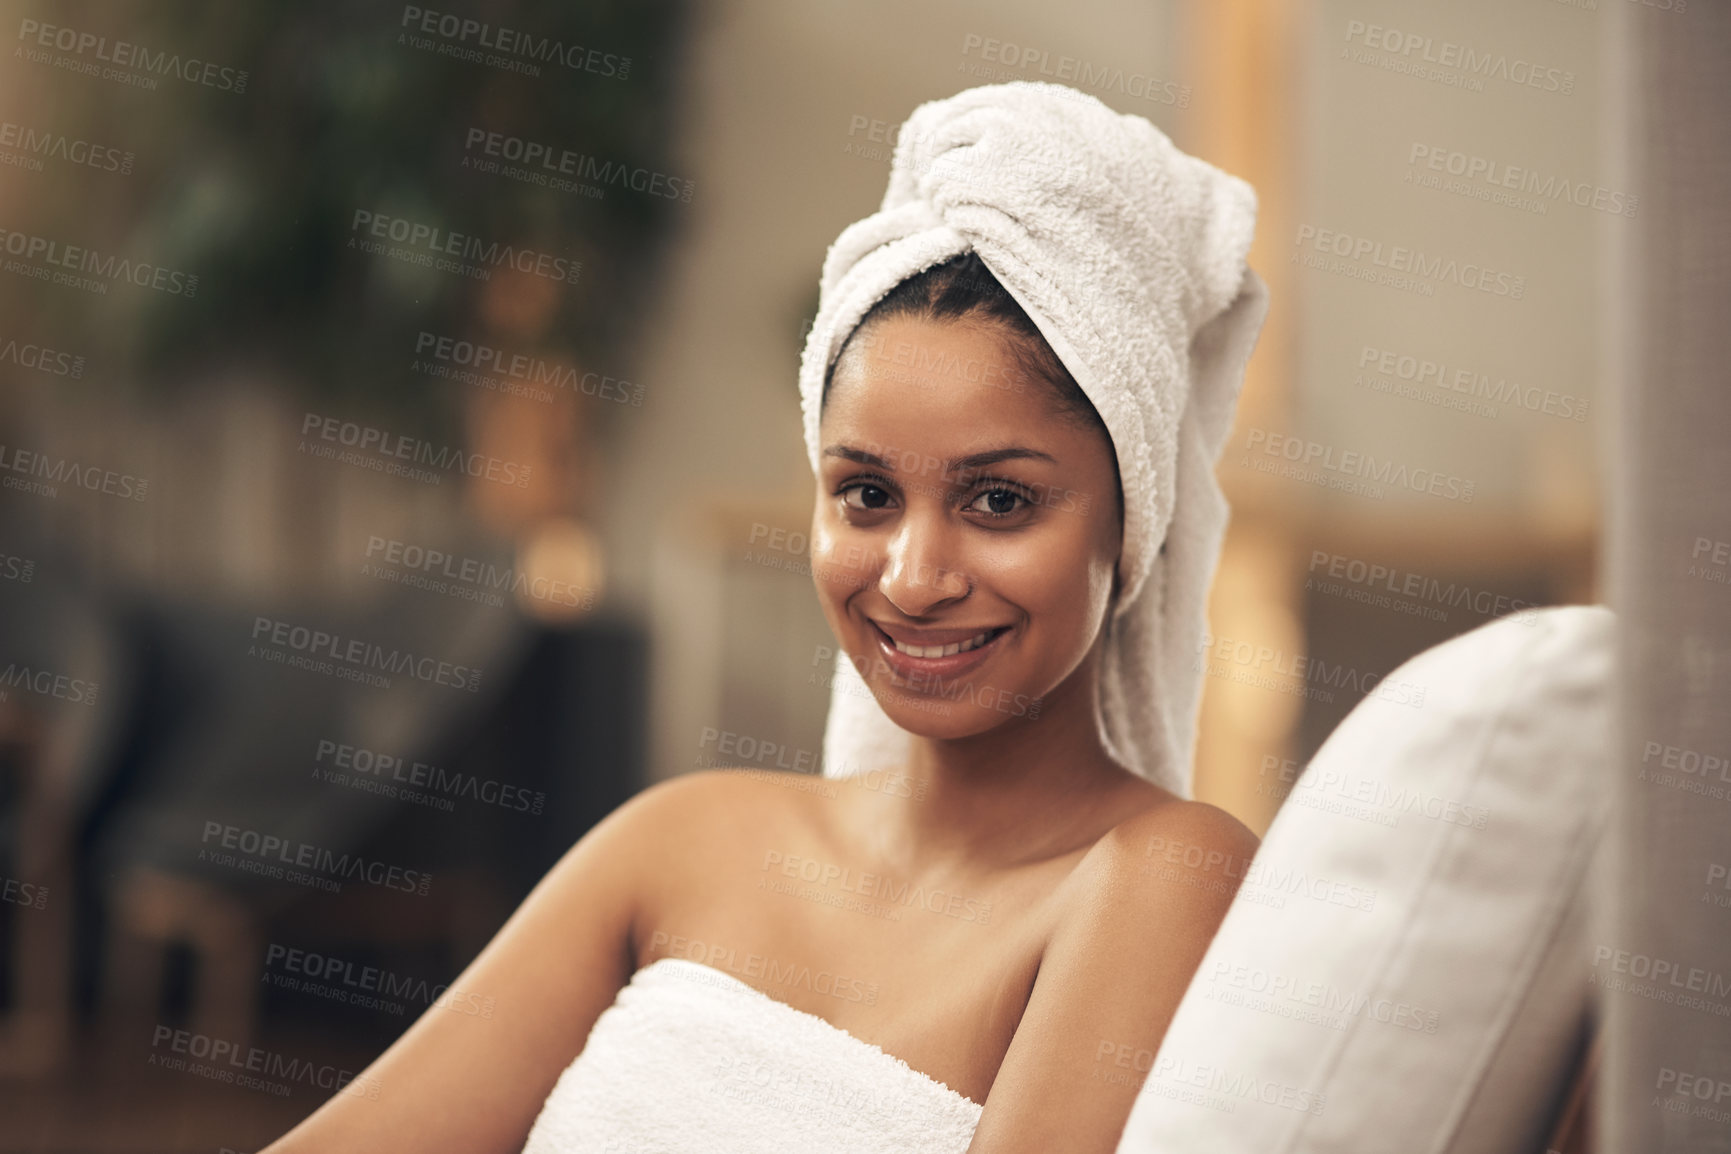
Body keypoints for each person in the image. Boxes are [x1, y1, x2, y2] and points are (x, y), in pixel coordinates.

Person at [263, 80, 1269, 1154]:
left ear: (1135, 520)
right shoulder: (680, 839)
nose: (914, 575)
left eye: (1000, 500)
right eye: (867, 494)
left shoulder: (1163, 874)